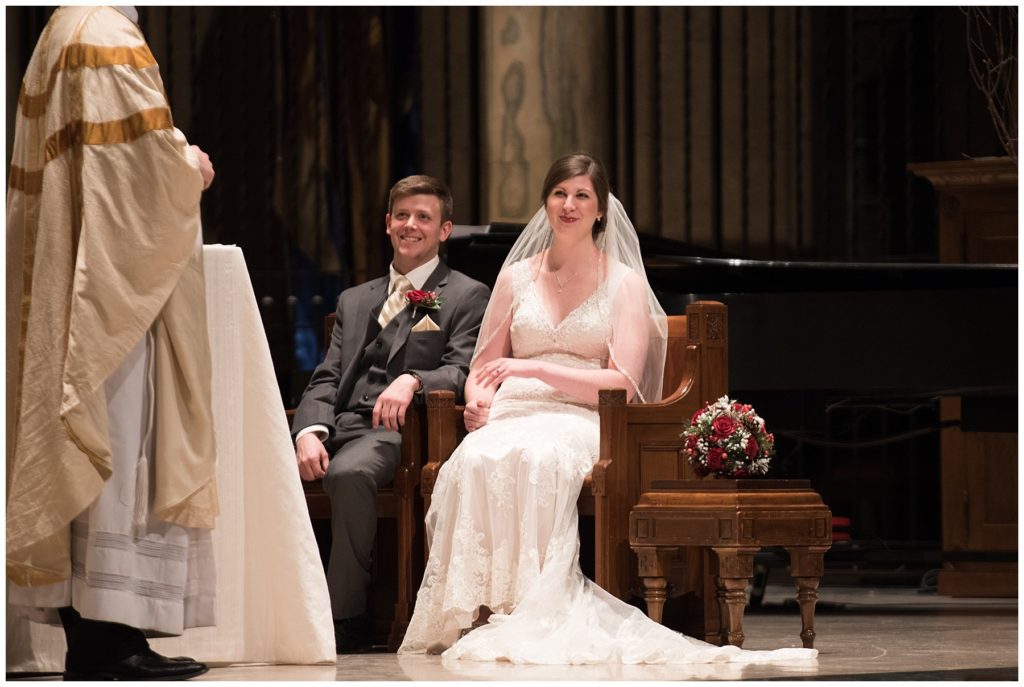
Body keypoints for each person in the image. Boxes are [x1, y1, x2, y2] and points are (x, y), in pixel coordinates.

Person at [398, 153, 818, 665]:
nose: (569, 205)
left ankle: (525, 607)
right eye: (559, 194)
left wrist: (536, 370)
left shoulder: (624, 283)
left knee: (540, 459)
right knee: (475, 459)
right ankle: (477, 610)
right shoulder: (515, 278)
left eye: (582, 196)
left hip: (585, 417)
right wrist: (478, 404)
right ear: (545, 202)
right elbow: (485, 366)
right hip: (514, 411)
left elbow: (622, 381)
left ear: (600, 209)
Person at [7, 6, 217, 681]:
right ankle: (110, 640)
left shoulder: (57, 32)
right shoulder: (105, 32)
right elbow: (140, 172)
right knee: (118, 450)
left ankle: (96, 639)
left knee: (81, 450)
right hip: (110, 295)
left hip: (66, 273)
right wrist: (189, 164)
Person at [291, 175, 490, 653]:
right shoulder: (355, 298)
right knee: (253, 464)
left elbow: (463, 367)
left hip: (402, 431)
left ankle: (346, 617)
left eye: (424, 217)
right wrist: (309, 430)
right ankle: (274, 610)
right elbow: (326, 375)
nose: (411, 225)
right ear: (387, 224)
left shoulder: (465, 294)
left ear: (445, 230)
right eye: (402, 216)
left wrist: (414, 379)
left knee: (351, 472)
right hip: (340, 425)